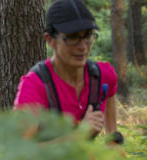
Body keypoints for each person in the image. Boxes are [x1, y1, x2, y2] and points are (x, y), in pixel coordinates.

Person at [14, 0, 121, 144]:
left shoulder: (102, 76)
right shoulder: (35, 86)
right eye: (72, 37)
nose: (82, 46)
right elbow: (21, 152)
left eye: (87, 36)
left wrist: (113, 143)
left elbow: (112, 131)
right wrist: (79, 134)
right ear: (50, 40)